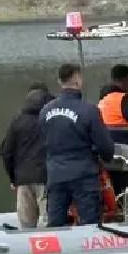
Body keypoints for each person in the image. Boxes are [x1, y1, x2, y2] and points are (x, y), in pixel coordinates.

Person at [40, 63, 115, 227]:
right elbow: (105, 146)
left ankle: (56, 250)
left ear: (60, 81)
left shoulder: (45, 111)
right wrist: (107, 157)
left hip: (55, 174)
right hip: (83, 175)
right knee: (89, 223)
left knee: (56, 222)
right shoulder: (88, 110)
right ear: (78, 80)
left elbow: (42, 142)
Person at [0, 83, 55, 228]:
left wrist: (13, 178)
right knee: (47, 221)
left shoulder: (17, 121)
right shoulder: (51, 121)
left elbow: (6, 151)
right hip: (45, 177)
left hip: (22, 179)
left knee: (26, 224)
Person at [97, 64, 128, 191]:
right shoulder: (122, 99)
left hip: (106, 155)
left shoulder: (103, 100)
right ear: (127, 79)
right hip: (122, 157)